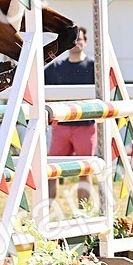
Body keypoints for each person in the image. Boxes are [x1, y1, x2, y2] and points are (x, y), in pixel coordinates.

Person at [45, 25, 97, 204]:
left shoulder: (94, 67)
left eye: (80, 39)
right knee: (51, 170)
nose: (76, 43)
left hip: (86, 126)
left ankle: (84, 213)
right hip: (61, 127)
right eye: (73, 40)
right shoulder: (54, 68)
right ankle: (48, 211)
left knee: (85, 171)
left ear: (86, 42)